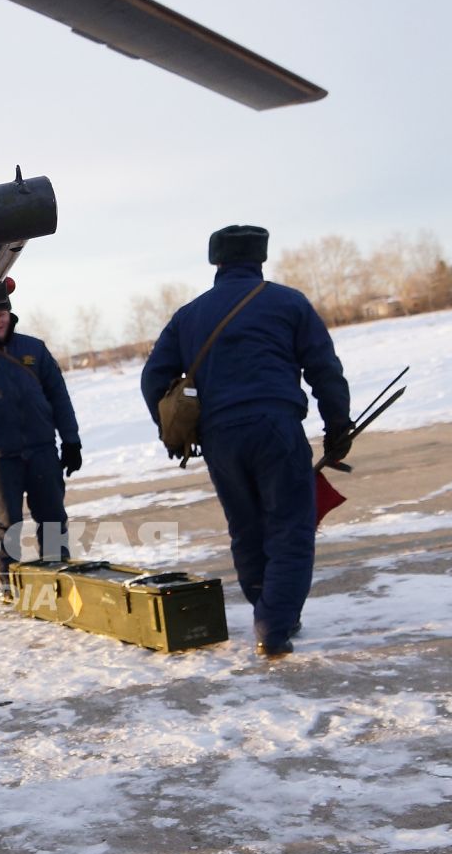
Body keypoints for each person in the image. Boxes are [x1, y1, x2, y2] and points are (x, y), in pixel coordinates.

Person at [140, 225, 352, 658]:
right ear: (261, 257)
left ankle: (271, 611)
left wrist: (173, 432)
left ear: (215, 261)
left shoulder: (189, 315)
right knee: (290, 527)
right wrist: (337, 427)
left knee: (247, 528)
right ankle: (274, 625)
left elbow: (153, 378)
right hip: (277, 427)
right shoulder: (288, 302)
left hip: (220, 437)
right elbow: (324, 369)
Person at [0, 283, 82, 595]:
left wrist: (71, 441)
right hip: (0, 457)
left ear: (10, 314)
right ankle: (8, 584)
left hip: (42, 450)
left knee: (52, 517)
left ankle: (57, 576)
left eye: (0, 314)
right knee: (7, 523)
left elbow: (59, 397)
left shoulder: (34, 349)